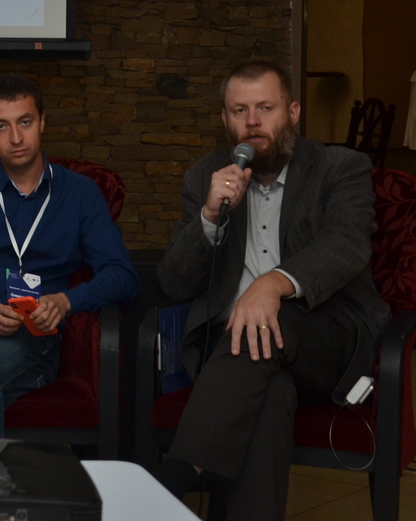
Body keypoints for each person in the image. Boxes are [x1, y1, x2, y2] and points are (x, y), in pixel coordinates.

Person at [151, 61, 389, 520]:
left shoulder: (340, 168)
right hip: (246, 362)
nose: (253, 122)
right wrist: (209, 218)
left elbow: (346, 244)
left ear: (293, 112)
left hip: (327, 341)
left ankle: (170, 482)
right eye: (240, 110)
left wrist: (271, 284)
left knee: (263, 322)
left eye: (266, 108)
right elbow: (174, 282)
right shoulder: (205, 177)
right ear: (225, 119)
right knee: (270, 393)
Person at [0, 73, 138, 437]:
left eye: (25, 122)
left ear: (43, 122)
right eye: (1, 126)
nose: (16, 138)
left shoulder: (81, 193)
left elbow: (123, 276)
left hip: (30, 335)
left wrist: (66, 301)